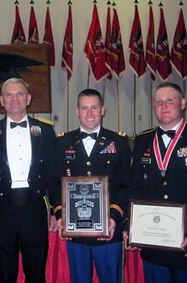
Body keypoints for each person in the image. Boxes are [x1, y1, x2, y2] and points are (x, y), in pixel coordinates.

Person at [124, 82, 187, 283]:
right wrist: (131, 225)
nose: (164, 106)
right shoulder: (142, 140)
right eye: (158, 102)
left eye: (169, 100)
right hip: (153, 245)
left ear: (183, 103)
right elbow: (134, 187)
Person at [0, 78, 60, 283]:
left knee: (36, 272)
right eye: (9, 95)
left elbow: (53, 174)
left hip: (35, 209)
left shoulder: (45, 131)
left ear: (28, 98)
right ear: (2, 100)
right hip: (1, 210)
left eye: (20, 94)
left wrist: (57, 210)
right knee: (3, 273)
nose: (15, 99)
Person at [56, 89, 132, 283]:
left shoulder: (119, 141)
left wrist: (115, 216)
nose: (89, 113)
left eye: (94, 108)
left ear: (103, 110)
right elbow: (54, 182)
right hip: (75, 231)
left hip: (109, 229)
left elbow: (126, 184)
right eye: (84, 108)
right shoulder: (61, 142)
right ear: (76, 111)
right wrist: (59, 214)